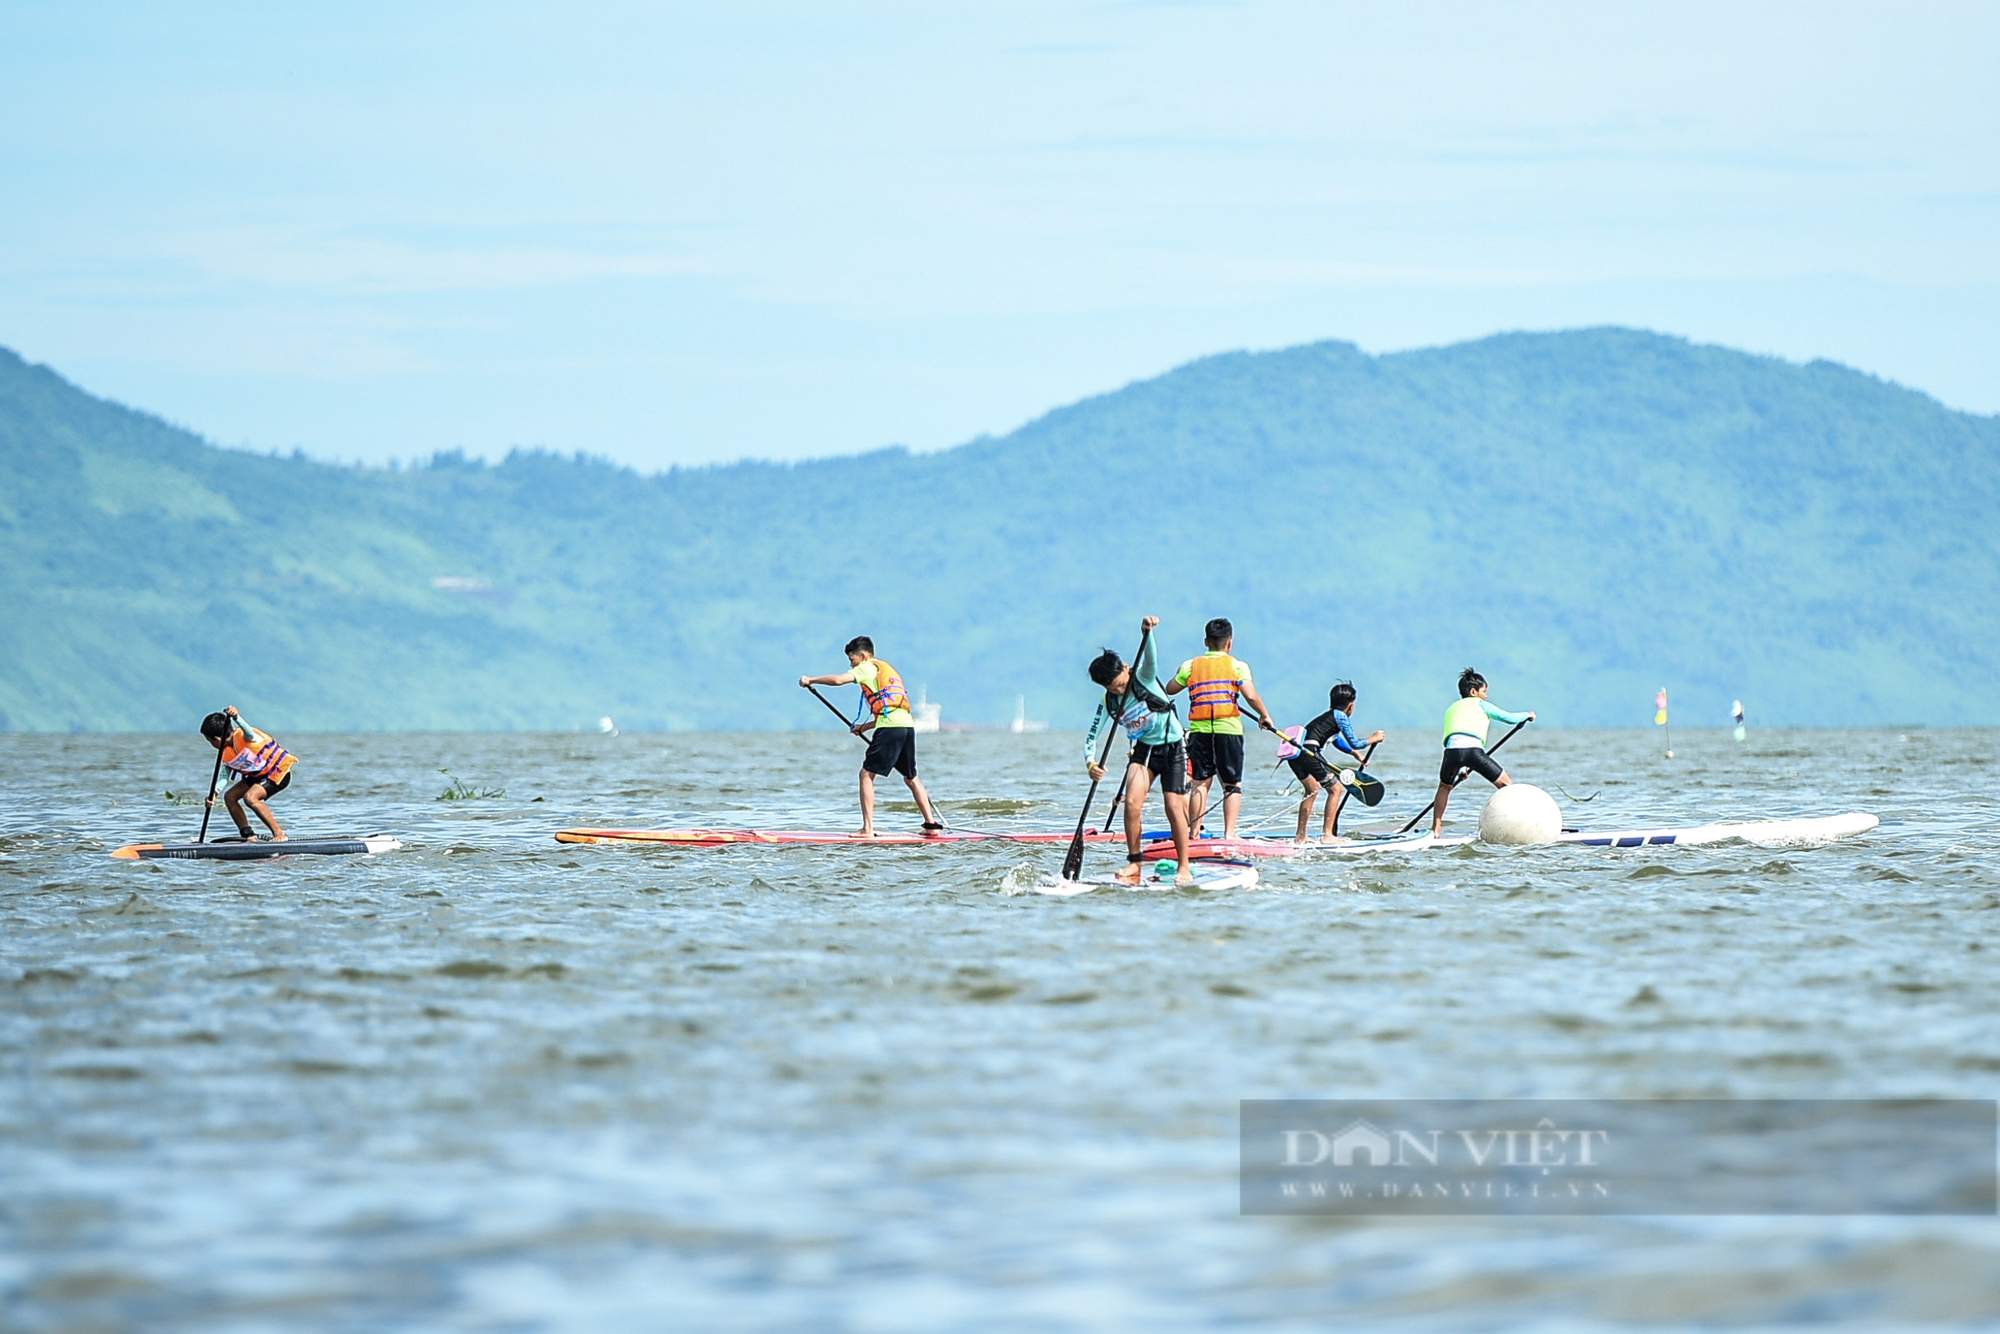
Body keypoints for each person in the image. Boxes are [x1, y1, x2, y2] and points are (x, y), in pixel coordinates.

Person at [1083, 616, 1193, 885]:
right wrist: (1091, 764)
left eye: (1120, 682)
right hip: (1144, 751)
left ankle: (1184, 866)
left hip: (1173, 746)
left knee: (1173, 806)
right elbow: (1091, 736)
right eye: (1112, 687)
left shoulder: (1142, 677)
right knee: (1131, 803)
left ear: (1125, 667)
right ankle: (1135, 862)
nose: (1119, 689)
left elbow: (1151, 656)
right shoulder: (1108, 701)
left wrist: (1148, 632)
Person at [800, 636, 944, 838]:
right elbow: (889, 711)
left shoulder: (867, 667)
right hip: (906, 727)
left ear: (863, 655)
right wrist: (864, 727)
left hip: (890, 728)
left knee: (866, 774)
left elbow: (839, 680)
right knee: (911, 777)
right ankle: (931, 825)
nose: (851, 665)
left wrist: (811, 680)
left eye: (852, 660)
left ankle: (867, 829)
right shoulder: (885, 669)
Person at [1165, 617, 1276, 841]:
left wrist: (1180, 673)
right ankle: (1229, 835)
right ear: (1230, 643)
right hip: (1229, 730)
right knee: (1232, 784)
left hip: (1200, 731)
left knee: (1200, 783)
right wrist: (1265, 716)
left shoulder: (1190, 665)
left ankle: (1194, 835)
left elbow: (1170, 688)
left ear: (1206, 641)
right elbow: (1251, 695)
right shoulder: (1238, 666)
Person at [1429, 668, 1535, 836]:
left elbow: (1456, 739)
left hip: (1452, 753)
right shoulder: (1481, 704)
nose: (1486, 695)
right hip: (1474, 752)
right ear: (1473, 692)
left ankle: (1436, 829)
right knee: (1506, 786)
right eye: (1484, 691)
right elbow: (1508, 717)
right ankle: (1520, 824)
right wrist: (1527, 715)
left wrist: (1461, 769)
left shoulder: (1451, 708)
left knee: (1444, 787)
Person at [1284, 681, 1386, 843]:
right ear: (1351, 706)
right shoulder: (1341, 717)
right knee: (1336, 789)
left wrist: (1354, 754)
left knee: (1312, 790)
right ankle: (1328, 836)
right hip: (1310, 753)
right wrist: (1374, 738)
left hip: (1296, 755)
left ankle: (1301, 836)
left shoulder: (1329, 717)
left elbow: (1335, 739)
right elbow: (1355, 741)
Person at [200, 706, 297, 842]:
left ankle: (279, 834)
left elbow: (249, 732)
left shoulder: (245, 737)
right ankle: (248, 836)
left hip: (277, 773)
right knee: (230, 796)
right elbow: (224, 776)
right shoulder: (226, 752)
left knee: (250, 798)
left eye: (210, 741)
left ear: (217, 739)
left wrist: (236, 717)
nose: (211, 744)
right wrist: (214, 794)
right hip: (258, 776)